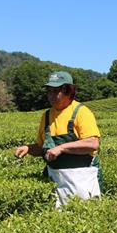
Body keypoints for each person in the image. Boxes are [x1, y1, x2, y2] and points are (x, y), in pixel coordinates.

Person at [14, 71, 102, 207]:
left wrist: (61, 148)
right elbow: (41, 146)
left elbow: (92, 143)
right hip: (56, 179)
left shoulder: (81, 112)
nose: (51, 96)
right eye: (49, 91)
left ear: (69, 91)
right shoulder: (47, 116)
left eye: (56, 91)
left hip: (82, 177)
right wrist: (28, 148)